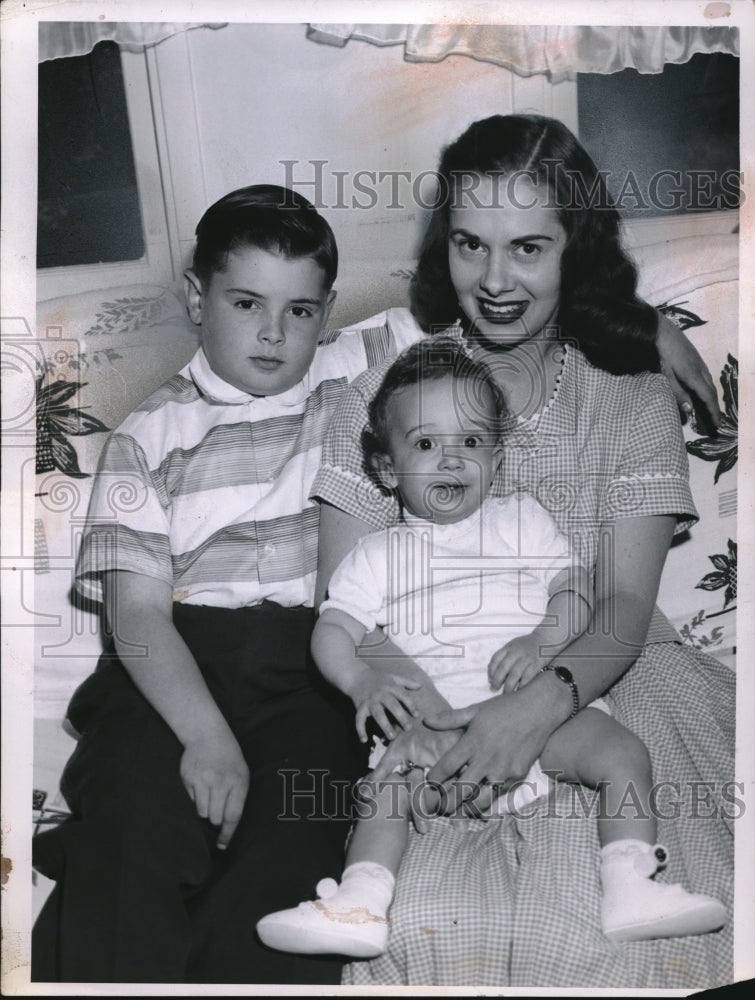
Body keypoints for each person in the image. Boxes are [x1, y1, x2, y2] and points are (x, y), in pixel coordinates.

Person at [309, 115, 735, 988]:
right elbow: (346, 612)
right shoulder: (381, 393)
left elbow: (618, 605)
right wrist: (442, 723)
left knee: (606, 936)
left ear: (572, 249)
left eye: (528, 249)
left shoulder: (626, 396)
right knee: (417, 929)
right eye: (470, 245)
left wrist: (530, 712)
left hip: (609, 681)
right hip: (430, 691)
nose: (494, 282)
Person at [30, 185, 421, 984]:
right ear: (196, 296)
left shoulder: (349, 369)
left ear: (328, 311)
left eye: (300, 312)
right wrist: (208, 739)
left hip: (308, 669)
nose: (274, 334)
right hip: (174, 665)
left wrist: (642, 326)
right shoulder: (149, 435)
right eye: (246, 303)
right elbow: (136, 619)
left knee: (290, 851)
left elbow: (502, 310)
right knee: (132, 822)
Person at [256, 338, 727, 958]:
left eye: (472, 443)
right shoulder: (376, 557)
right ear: (386, 467)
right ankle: (361, 902)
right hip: (437, 735)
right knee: (385, 790)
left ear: (498, 457)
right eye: (426, 444)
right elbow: (333, 631)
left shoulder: (521, 520)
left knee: (622, 753)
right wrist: (362, 684)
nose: (451, 460)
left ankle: (632, 883)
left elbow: (575, 590)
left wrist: (544, 639)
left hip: (539, 713)